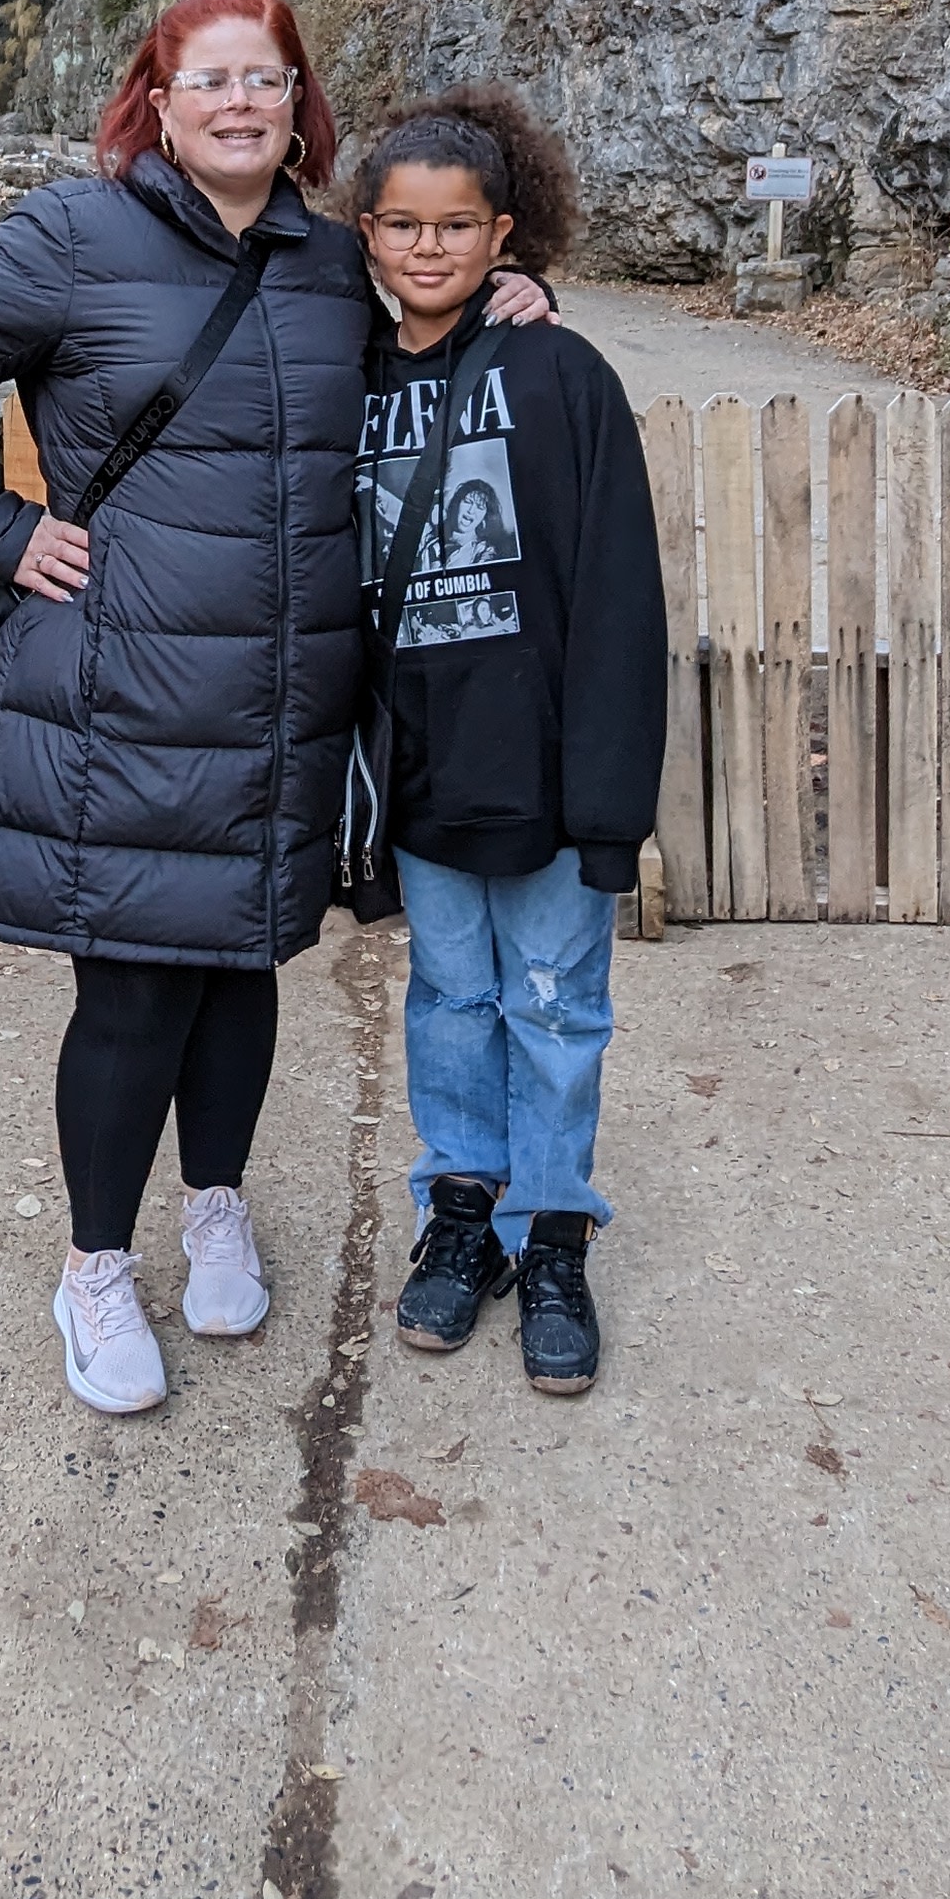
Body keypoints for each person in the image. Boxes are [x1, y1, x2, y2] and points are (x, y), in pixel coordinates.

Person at [0, 0, 376, 1418]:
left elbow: (428, 358)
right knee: (137, 983)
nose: (237, 104)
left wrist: (520, 296)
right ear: (156, 103)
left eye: (263, 81)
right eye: (206, 81)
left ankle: (213, 1205)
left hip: (280, 692)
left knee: (243, 964)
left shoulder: (334, 266)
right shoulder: (73, 239)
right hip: (126, 688)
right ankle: (96, 1267)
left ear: (296, 104)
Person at [351, 87, 664, 1396]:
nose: (429, 249)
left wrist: (608, 804)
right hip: (421, 775)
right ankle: (463, 1213)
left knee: (555, 1006)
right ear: (364, 235)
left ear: (506, 236)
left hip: (540, 771)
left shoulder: (560, 375)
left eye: (457, 227)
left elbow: (616, 598)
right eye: (403, 226)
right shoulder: (347, 378)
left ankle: (549, 1236)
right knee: (449, 1004)